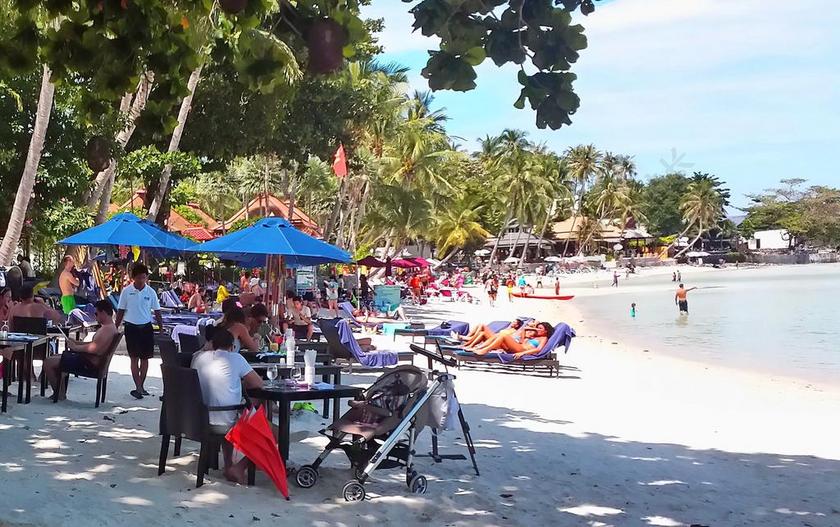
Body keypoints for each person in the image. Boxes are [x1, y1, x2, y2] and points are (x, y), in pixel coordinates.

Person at [191, 328, 263, 484]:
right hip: (223, 420)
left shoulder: (198, 358)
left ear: (212, 343)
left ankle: (229, 465)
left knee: (227, 407)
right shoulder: (235, 358)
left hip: (198, 418)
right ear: (233, 346)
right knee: (269, 431)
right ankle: (239, 468)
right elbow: (258, 383)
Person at [44, 299, 118, 400]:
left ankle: (58, 394)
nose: (95, 316)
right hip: (91, 361)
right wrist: (76, 343)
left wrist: (75, 347)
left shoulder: (106, 329)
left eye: (96, 313)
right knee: (55, 357)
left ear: (103, 313)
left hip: (89, 364)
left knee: (48, 362)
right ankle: (60, 393)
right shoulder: (110, 327)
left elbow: (94, 349)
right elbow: (94, 345)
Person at [115, 264, 163, 400]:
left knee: (145, 358)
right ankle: (138, 386)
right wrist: (115, 327)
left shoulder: (151, 292)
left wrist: (161, 329)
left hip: (146, 327)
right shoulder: (126, 291)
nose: (142, 280)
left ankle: (141, 385)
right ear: (133, 278)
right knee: (134, 358)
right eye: (139, 277)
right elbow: (120, 311)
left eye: (144, 277)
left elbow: (157, 312)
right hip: (131, 327)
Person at [471, 322, 554, 359]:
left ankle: (484, 350)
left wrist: (522, 353)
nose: (537, 330)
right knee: (499, 335)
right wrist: (532, 329)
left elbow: (538, 349)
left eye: (540, 328)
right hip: (519, 347)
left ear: (546, 331)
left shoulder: (544, 338)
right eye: (537, 328)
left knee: (504, 335)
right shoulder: (533, 337)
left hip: (522, 350)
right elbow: (523, 336)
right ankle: (480, 347)